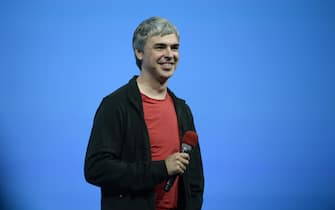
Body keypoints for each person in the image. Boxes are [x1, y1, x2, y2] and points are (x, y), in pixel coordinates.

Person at [84, 16, 204, 210]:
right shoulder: (115, 105)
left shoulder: (182, 110)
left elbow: (195, 178)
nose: (169, 54)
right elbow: (96, 169)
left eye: (174, 47)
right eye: (160, 47)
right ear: (139, 52)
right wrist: (162, 168)